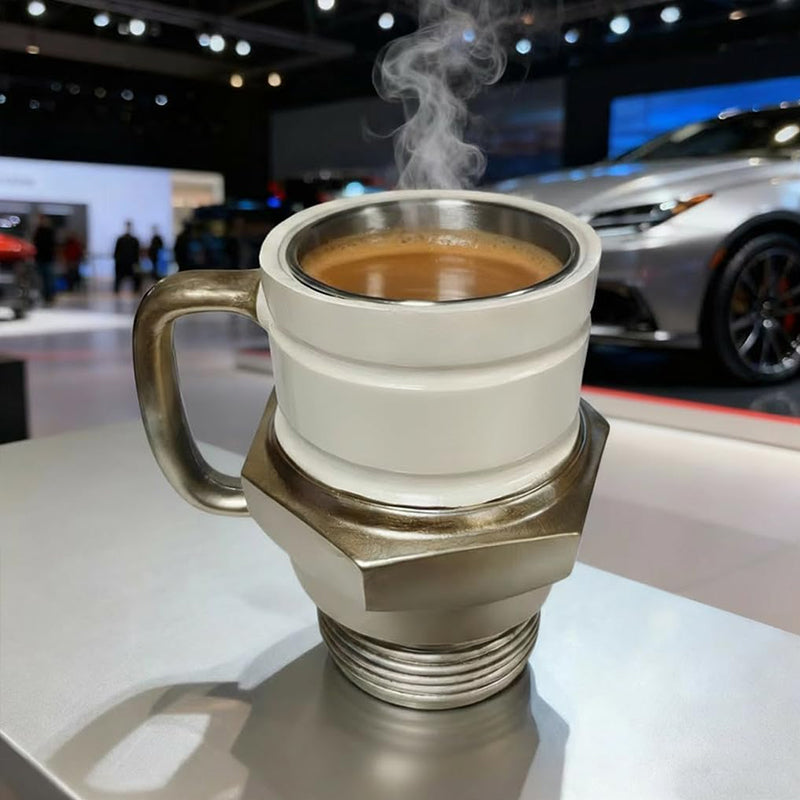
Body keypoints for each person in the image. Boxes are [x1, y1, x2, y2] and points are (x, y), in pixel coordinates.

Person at [32, 215, 56, 305]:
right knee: (41, 279)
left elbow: (53, 245)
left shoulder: (49, 231)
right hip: (40, 259)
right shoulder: (38, 231)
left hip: (47, 259)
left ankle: (49, 296)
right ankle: (43, 296)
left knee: (48, 279)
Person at [113, 221, 141, 293]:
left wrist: (136, 262)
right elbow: (116, 252)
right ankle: (117, 290)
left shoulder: (134, 240)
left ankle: (136, 290)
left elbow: (137, 253)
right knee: (119, 278)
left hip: (131, 262)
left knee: (136, 278)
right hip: (122, 263)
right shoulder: (121, 239)